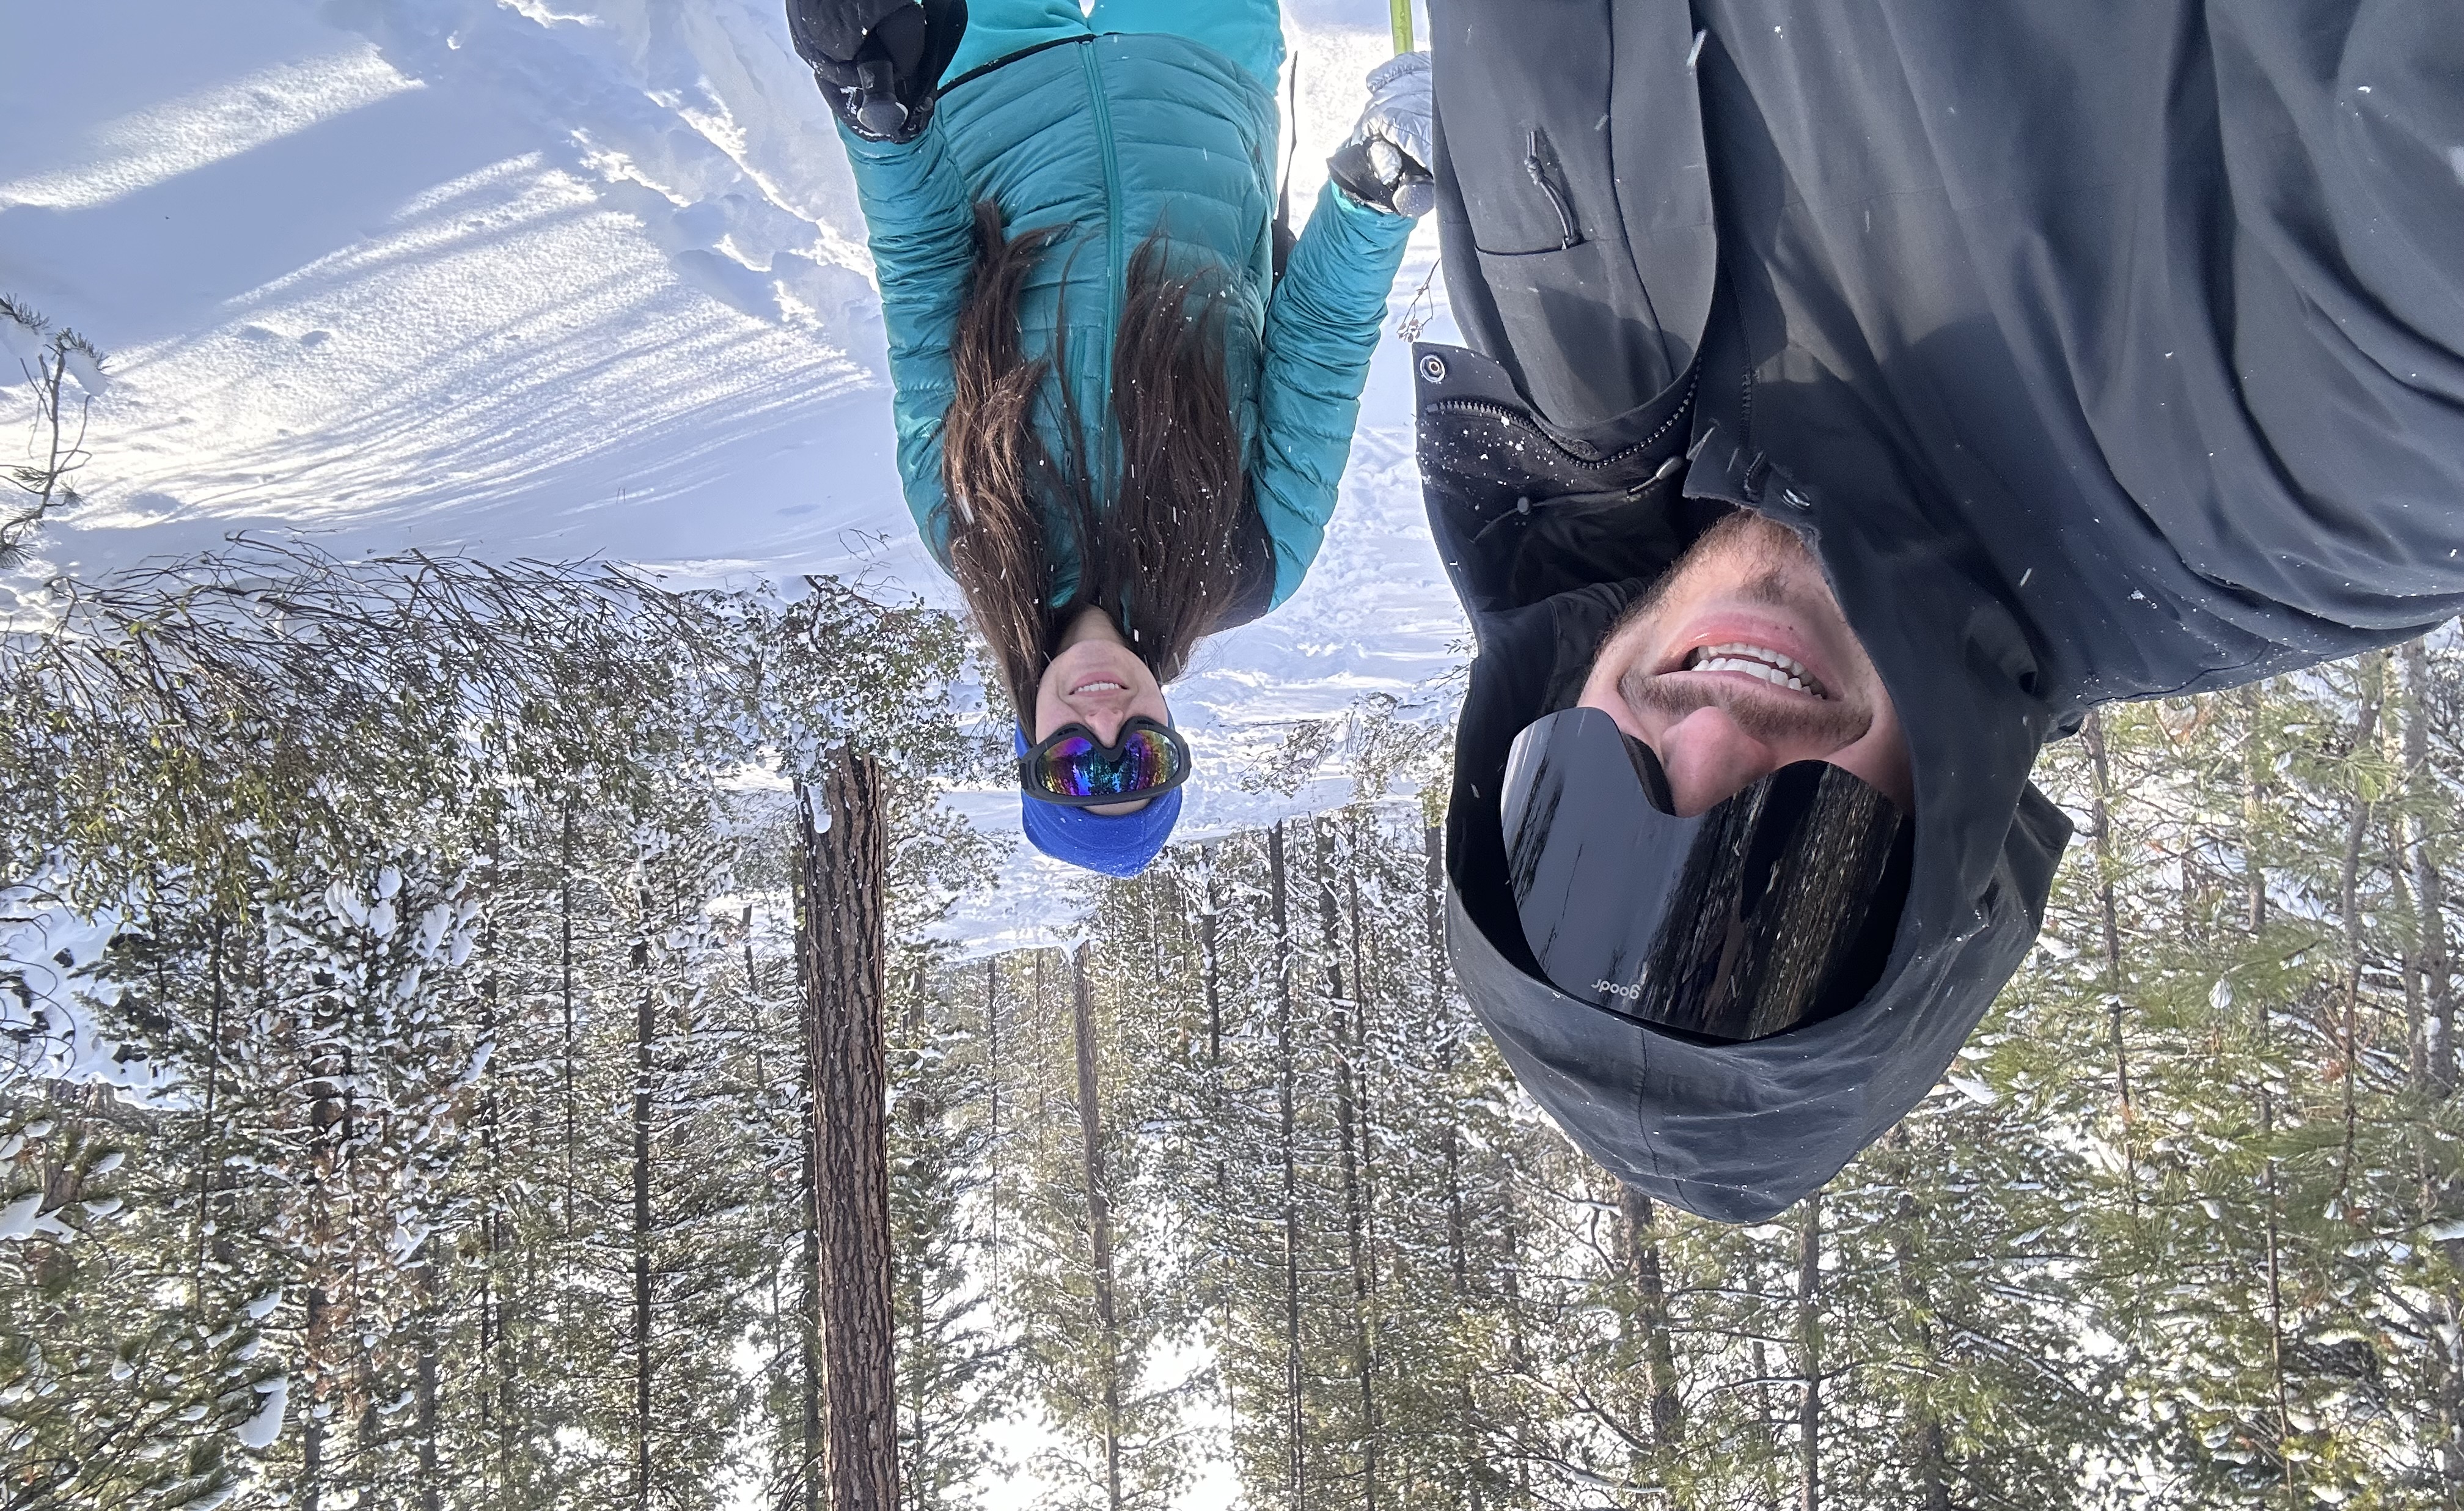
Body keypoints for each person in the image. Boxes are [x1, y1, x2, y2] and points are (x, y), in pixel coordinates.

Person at [1418, 0, 2464, 1221]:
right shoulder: (2296, 494)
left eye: (1585, 817)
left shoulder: (1568, 358)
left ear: (1534, 718)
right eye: (1788, 867)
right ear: (1935, 870)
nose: (1706, 745)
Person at [787, 0, 1434, 878]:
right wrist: (1377, 192)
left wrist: (879, 117)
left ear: (1030, 743)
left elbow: (928, 277)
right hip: (1200, 75)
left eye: (1074, 768)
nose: (1106, 728)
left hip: (991, 77)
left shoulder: (969, 529)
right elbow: (1318, 342)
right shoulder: (1254, 558)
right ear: (1172, 734)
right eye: (1139, 762)